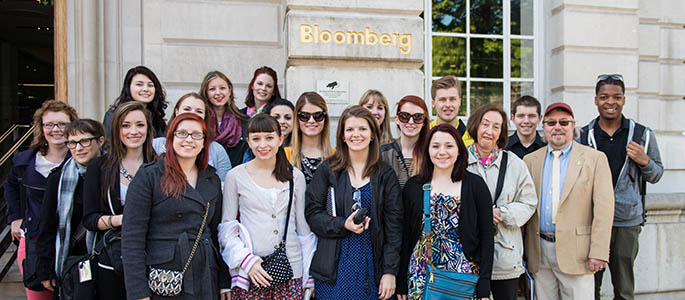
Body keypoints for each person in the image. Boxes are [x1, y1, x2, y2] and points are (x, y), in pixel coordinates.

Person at [122, 113, 230, 300]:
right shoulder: (150, 176)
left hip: (205, 275)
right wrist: (138, 292)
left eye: (196, 135)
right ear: (170, 138)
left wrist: (223, 281)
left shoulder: (211, 179)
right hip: (165, 277)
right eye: (182, 133)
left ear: (204, 142)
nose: (189, 140)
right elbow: (132, 239)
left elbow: (214, 234)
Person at [577, 74, 664, 300]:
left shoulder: (641, 134)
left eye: (617, 97)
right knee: (589, 286)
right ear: (596, 100)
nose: (610, 102)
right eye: (604, 96)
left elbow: (656, 175)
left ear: (624, 100)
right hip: (591, 220)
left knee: (624, 288)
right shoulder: (584, 135)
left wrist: (644, 160)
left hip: (626, 221)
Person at [305, 105, 402, 300]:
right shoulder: (328, 170)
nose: (356, 134)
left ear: (373, 134)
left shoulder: (386, 175)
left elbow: (395, 227)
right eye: (349, 129)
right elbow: (312, 214)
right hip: (333, 271)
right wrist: (343, 224)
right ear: (341, 135)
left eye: (362, 129)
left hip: (373, 271)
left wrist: (390, 272)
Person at [522, 102, 614, 300]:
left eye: (564, 122)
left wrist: (598, 251)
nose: (557, 127)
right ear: (543, 126)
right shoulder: (530, 161)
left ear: (573, 126)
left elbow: (604, 210)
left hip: (578, 253)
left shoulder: (595, 159)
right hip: (539, 252)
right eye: (551, 122)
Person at [220, 113, 315, 299]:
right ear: (248, 141)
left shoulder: (295, 176)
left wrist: (308, 274)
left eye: (269, 138)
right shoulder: (235, 176)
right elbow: (227, 228)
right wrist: (247, 261)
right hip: (252, 271)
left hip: (290, 269)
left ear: (280, 139)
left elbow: (303, 229)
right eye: (256, 139)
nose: (262, 145)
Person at [397, 124, 494, 300]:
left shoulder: (476, 186)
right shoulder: (413, 187)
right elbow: (405, 238)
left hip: (464, 276)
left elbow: (487, 237)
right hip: (421, 275)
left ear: (459, 150)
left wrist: (484, 283)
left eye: (449, 146)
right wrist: (401, 281)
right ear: (427, 151)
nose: (442, 152)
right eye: (435, 146)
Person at [4, 100, 77, 300]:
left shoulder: (81, 161)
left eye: (62, 124)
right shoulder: (25, 161)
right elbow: (9, 186)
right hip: (34, 243)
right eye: (49, 124)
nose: (56, 129)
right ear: (41, 128)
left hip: (72, 245)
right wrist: (15, 217)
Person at [83, 101, 156, 300]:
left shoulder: (160, 165)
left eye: (140, 125)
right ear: (116, 129)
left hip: (153, 257)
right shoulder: (99, 167)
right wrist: (121, 220)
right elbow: (89, 219)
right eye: (126, 125)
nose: (133, 131)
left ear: (148, 129)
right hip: (112, 259)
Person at [465, 104, 537, 300]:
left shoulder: (515, 164)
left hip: (505, 255)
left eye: (496, 127)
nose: (489, 131)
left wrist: (502, 213)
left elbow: (529, 202)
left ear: (502, 132)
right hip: (468, 257)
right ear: (475, 126)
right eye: (485, 124)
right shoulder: (459, 159)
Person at [36, 119, 105, 295]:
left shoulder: (115, 174)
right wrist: (46, 267)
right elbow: (47, 225)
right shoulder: (58, 178)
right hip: (75, 260)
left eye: (84, 141)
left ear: (100, 141)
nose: (78, 148)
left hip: (109, 259)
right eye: (72, 143)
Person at [152, 92, 232, 181]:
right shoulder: (156, 145)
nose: (193, 114)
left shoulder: (217, 150)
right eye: (187, 109)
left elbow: (224, 186)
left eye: (199, 111)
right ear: (176, 112)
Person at [200, 70, 249, 167]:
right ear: (206, 93)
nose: (218, 93)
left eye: (222, 88)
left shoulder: (244, 121)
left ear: (229, 91)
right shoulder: (200, 122)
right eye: (212, 89)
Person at [104, 65, 168, 139]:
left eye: (150, 85)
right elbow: (108, 146)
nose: (145, 89)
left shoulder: (156, 117)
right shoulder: (113, 116)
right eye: (139, 84)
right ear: (128, 87)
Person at [285, 92, 334, 186]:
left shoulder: (335, 156)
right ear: (297, 119)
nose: (311, 121)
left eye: (318, 116)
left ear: (325, 118)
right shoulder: (285, 155)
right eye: (304, 116)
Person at [380, 95, 429, 188]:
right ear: (397, 119)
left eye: (417, 117)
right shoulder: (384, 153)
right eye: (405, 116)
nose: (411, 122)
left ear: (424, 122)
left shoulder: (430, 153)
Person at [429, 75, 474, 146]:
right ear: (433, 103)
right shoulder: (424, 134)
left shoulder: (472, 138)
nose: (448, 105)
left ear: (459, 102)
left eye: (452, 99)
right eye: (442, 100)